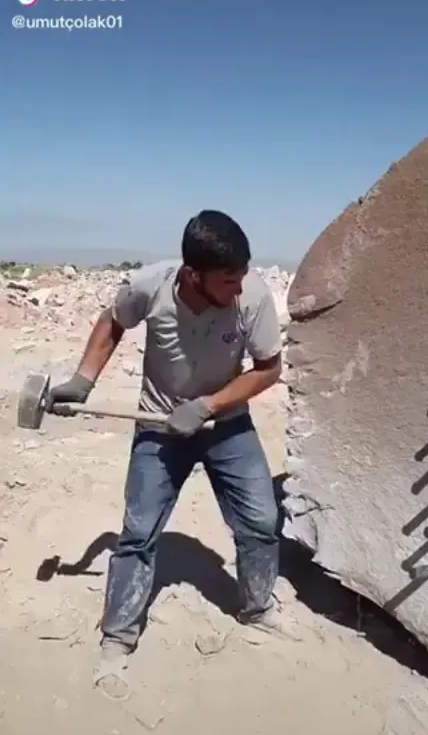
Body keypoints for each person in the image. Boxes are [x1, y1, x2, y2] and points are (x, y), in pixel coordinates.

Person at [47, 209, 297, 699]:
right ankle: (118, 637)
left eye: (243, 274)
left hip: (226, 426)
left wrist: (208, 404)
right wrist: (83, 380)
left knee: (261, 522)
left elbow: (268, 369)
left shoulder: (254, 298)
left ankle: (258, 608)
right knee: (138, 532)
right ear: (191, 274)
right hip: (159, 427)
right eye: (228, 280)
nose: (239, 287)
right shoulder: (152, 285)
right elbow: (113, 320)